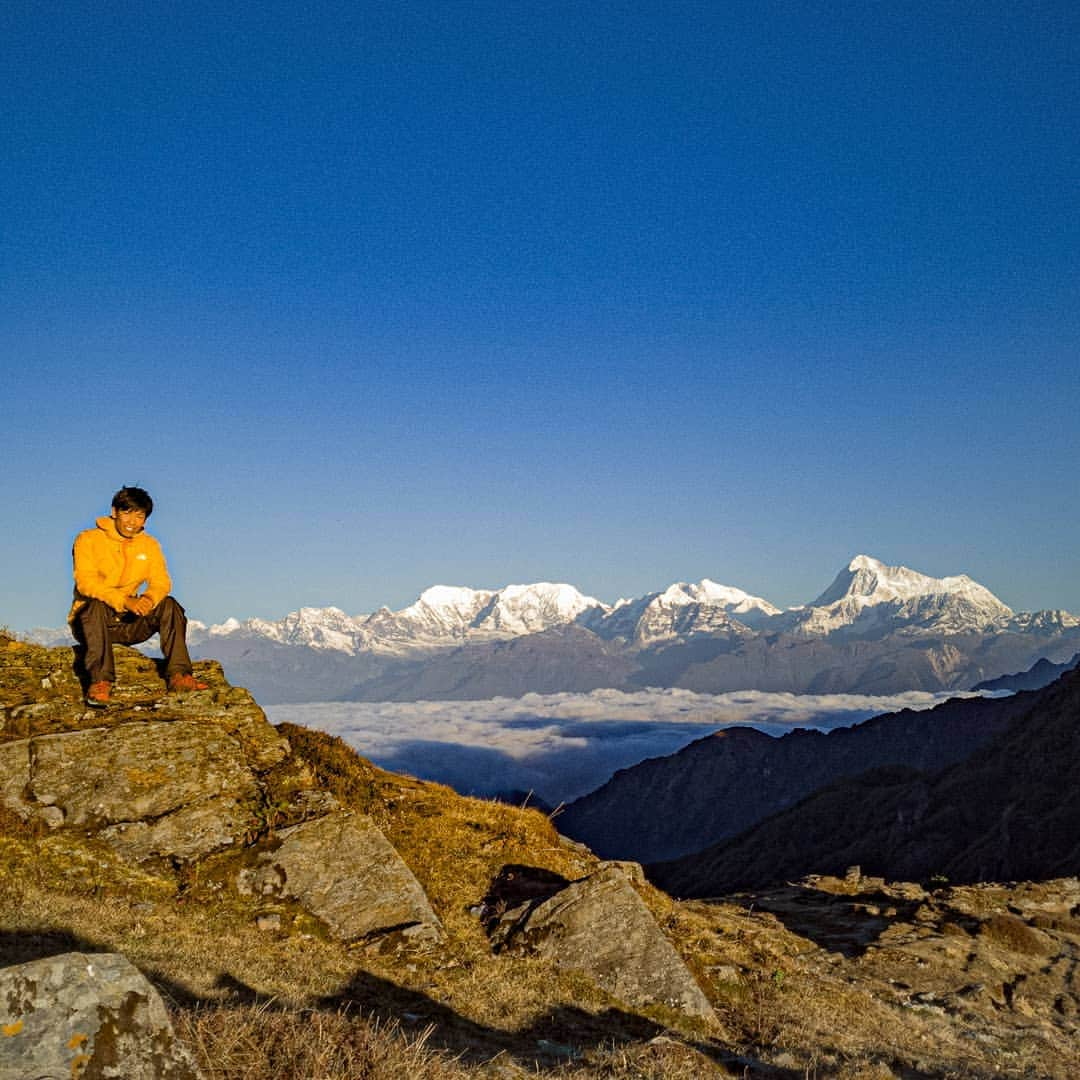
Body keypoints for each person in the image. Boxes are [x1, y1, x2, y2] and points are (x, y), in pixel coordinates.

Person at [69, 486, 208, 707]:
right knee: (94, 605)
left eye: (140, 515)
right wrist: (124, 600)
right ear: (114, 512)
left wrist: (148, 599)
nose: (133, 521)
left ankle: (179, 676)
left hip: (129, 622)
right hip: (92, 621)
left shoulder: (149, 545)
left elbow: (162, 581)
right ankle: (100, 682)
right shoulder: (88, 539)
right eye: (127, 513)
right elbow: (86, 583)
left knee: (169, 605)